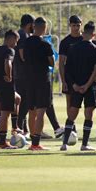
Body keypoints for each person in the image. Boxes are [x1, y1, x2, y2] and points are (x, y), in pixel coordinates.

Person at [60, 21, 96, 151]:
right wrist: (87, 85)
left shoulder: (73, 48)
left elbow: (67, 69)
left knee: (72, 114)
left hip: (76, 87)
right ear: (94, 34)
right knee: (89, 114)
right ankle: (85, 144)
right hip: (89, 87)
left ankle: (64, 144)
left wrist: (74, 85)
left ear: (83, 33)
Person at [24, 17, 54, 151]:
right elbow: (52, 61)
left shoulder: (26, 42)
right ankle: (36, 143)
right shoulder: (45, 44)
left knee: (31, 111)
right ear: (44, 28)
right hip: (42, 80)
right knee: (41, 111)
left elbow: (24, 57)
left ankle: (32, 141)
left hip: (29, 79)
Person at [0, 30, 21, 149]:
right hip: (6, 85)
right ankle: (3, 142)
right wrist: (9, 76)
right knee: (5, 113)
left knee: (17, 98)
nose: (16, 44)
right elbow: (7, 63)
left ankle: (15, 128)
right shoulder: (9, 50)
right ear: (11, 39)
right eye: (16, 41)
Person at [58, 15, 83, 135]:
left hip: (84, 77)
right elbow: (62, 63)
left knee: (89, 105)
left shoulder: (85, 39)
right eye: (74, 25)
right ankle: (71, 126)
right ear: (70, 26)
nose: (76, 28)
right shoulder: (65, 42)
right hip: (70, 77)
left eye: (78, 25)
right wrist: (63, 81)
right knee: (70, 102)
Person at [14, 14, 34, 136]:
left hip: (19, 74)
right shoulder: (23, 35)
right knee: (25, 101)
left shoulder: (22, 33)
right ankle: (18, 127)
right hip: (22, 75)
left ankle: (22, 127)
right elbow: (22, 54)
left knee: (24, 101)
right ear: (29, 24)